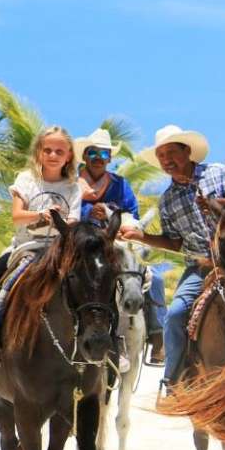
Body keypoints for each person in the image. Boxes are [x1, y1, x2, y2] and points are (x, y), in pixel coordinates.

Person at [118, 125, 225, 388]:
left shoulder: (216, 173)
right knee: (175, 314)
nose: (167, 161)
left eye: (171, 153)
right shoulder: (168, 200)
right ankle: (172, 378)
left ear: (187, 152)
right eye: (162, 156)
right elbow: (174, 242)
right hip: (200, 268)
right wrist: (142, 237)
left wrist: (218, 203)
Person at [0, 126, 90, 336]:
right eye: (47, 150)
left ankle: (99, 340)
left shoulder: (73, 187)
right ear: (38, 152)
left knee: (92, 287)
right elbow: (17, 216)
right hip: (24, 248)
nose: (53, 155)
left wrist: (60, 221)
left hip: (57, 252)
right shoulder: (26, 179)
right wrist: (43, 214)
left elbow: (73, 223)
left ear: (69, 156)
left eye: (59, 151)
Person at [74, 128, 165, 365]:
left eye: (103, 154)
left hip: (116, 241)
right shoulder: (73, 182)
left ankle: (157, 334)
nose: (97, 158)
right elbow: (66, 207)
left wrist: (110, 213)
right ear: (85, 156)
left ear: (109, 158)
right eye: (92, 153)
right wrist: (86, 212)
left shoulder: (120, 184)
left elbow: (132, 213)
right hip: (82, 242)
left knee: (152, 279)